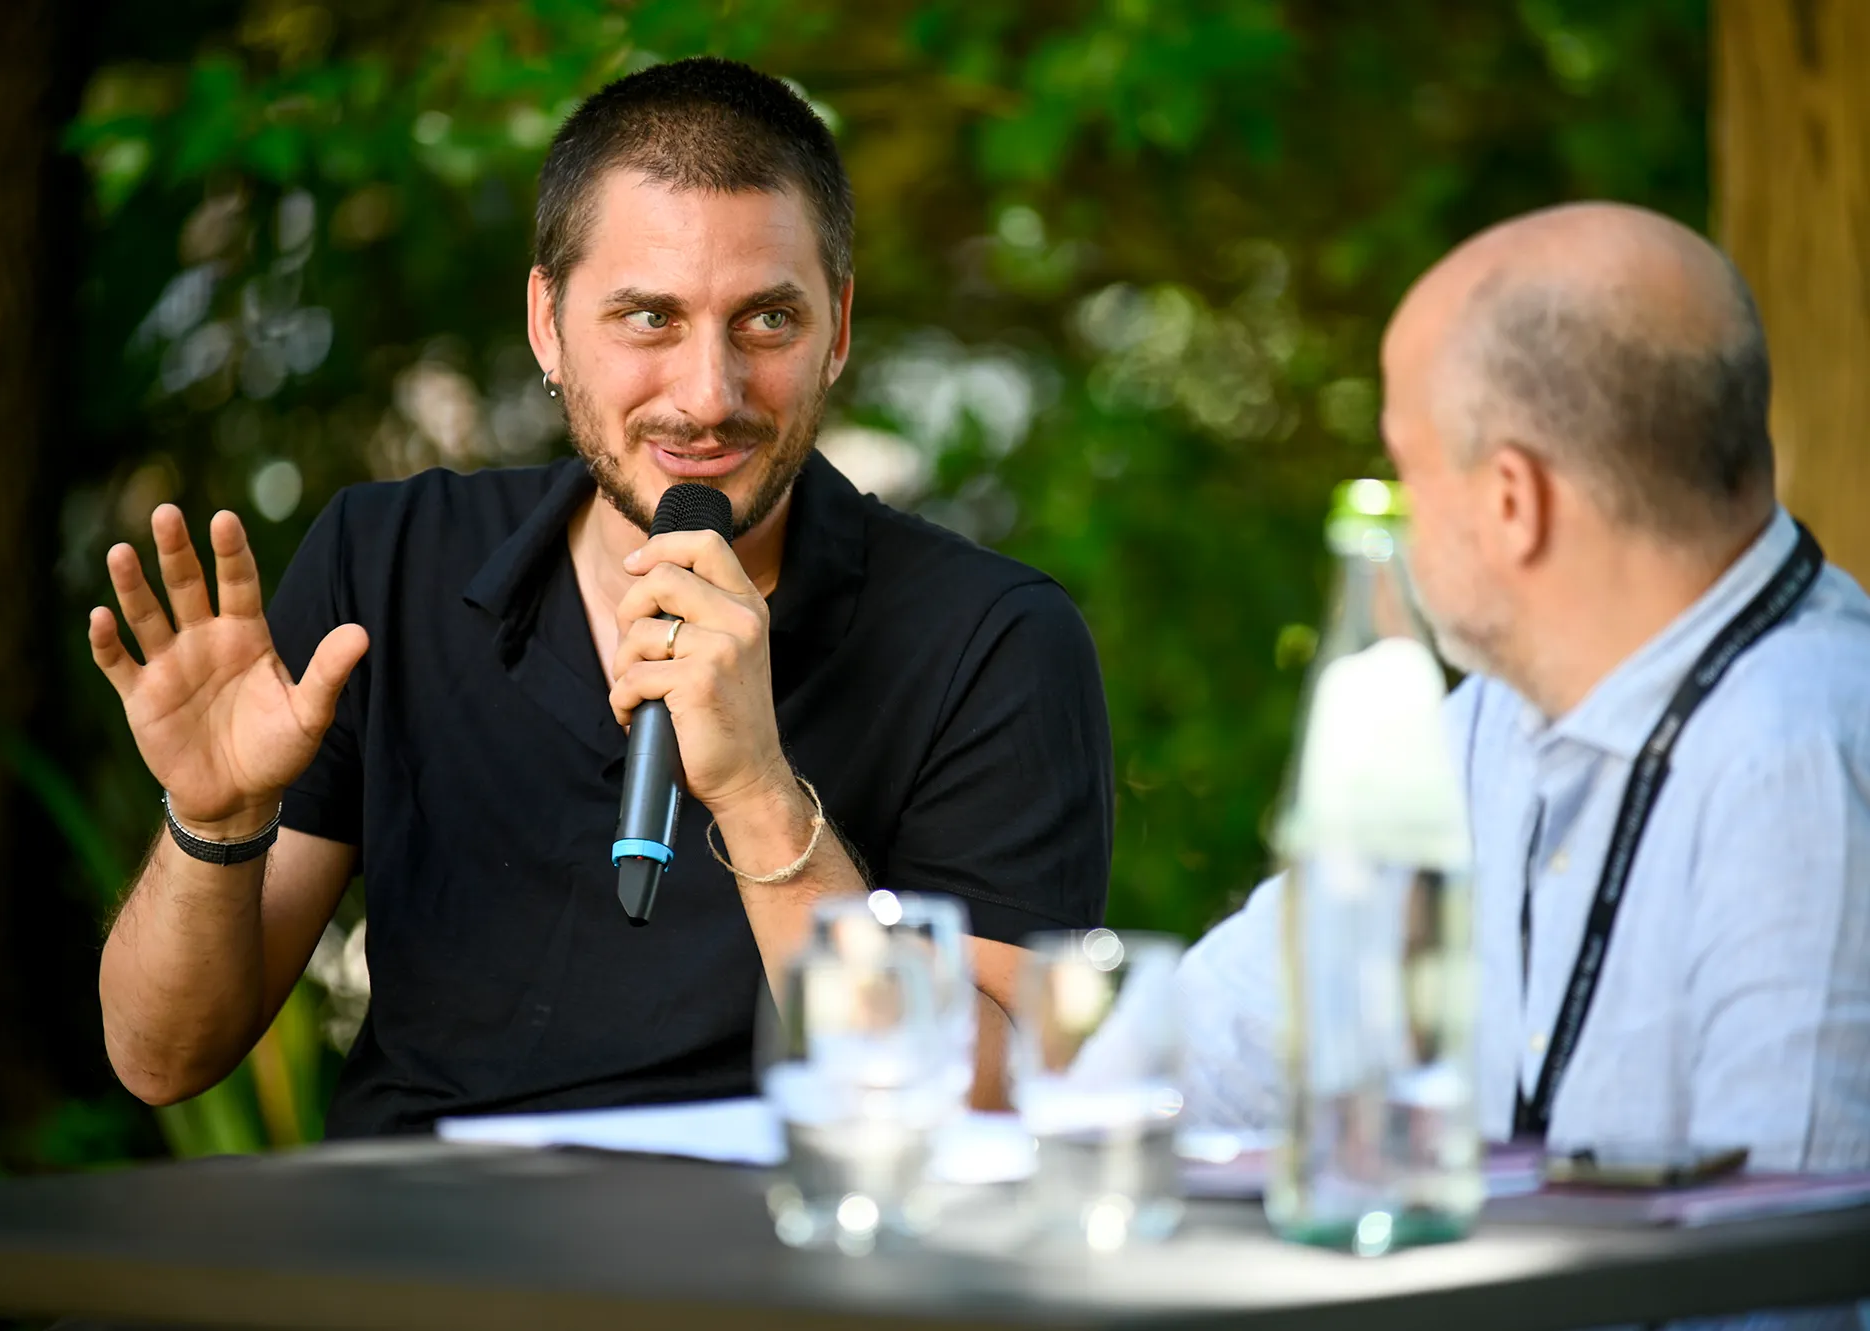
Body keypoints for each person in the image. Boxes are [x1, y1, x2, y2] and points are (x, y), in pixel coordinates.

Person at [90, 57, 1112, 1135]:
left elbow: (1002, 1103)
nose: (707, 395)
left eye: (767, 320)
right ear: (547, 322)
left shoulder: (993, 638)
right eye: (647, 319)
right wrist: (214, 821)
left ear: (838, 329)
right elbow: (164, 1059)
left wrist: (760, 794)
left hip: (770, 1273)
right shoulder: (384, 560)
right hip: (411, 1262)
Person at [1178, 202, 1870, 1172]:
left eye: (1402, 465)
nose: (1394, 510)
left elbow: (1782, 1281)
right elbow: (1213, 1046)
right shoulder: (1492, 721)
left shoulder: (1796, 757)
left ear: (1512, 501)